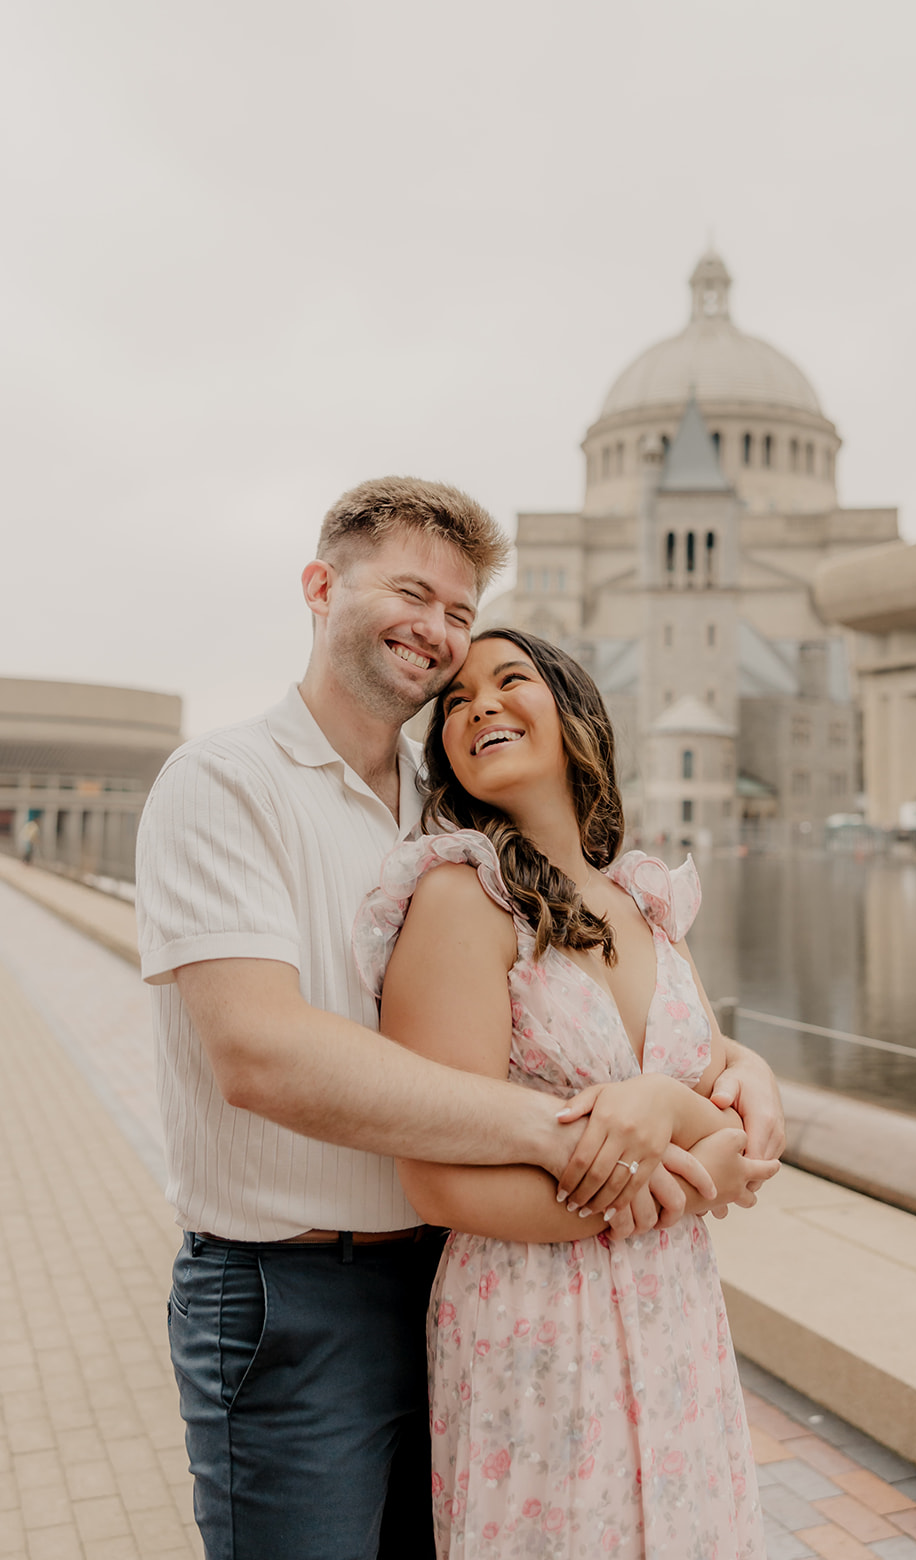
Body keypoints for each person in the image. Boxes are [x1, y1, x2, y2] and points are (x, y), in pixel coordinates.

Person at [136, 477, 785, 1560]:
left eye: (459, 611)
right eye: (410, 593)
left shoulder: (444, 818)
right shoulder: (226, 785)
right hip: (292, 1289)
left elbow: (575, 1019)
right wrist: (594, 1133)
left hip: (458, 1269)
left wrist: (731, 1065)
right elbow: (259, 1052)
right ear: (318, 587)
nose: (437, 632)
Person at [355, 627, 779, 1560]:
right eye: (456, 701)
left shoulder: (648, 903)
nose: (478, 706)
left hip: (677, 1314)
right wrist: (675, 1183)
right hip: (532, 1317)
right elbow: (439, 1184)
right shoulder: (460, 900)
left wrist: (683, 1107)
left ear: (577, 713)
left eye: (510, 681)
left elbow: (729, 1133)